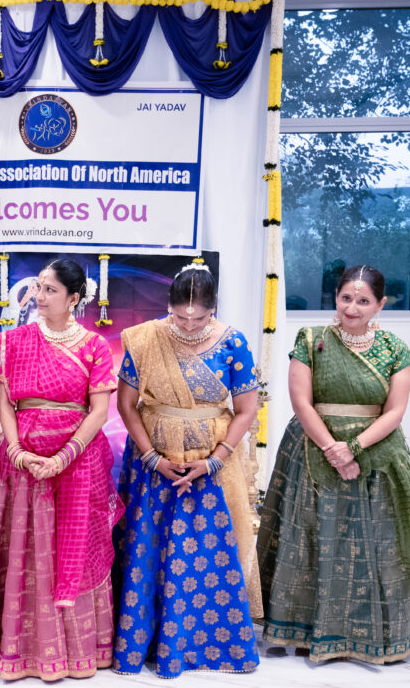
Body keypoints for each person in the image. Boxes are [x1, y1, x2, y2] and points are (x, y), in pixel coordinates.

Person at [257, 264, 410, 663]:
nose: (353, 308)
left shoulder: (395, 348)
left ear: (380, 304)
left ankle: (372, 634)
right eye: (346, 298)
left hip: (374, 454)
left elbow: (395, 411)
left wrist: (354, 448)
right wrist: (333, 448)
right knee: (308, 537)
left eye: (363, 301)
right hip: (311, 449)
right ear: (336, 298)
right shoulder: (310, 339)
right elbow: (300, 401)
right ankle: (299, 628)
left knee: (376, 544)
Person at [111, 261, 260, 677]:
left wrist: (216, 458)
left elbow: (247, 408)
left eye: (200, 317)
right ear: (168, 306)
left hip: (212, 461)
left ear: (214, 308)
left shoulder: (234, 342)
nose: (190, 325)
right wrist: (151, 457)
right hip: (153, 460)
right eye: (180, 316)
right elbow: (126, 404)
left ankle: (206, 646)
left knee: (207, 549)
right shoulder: (145, 339)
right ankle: (147, 640)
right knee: (149, 546)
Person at [0, 259, 123, 681]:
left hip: (79, 461)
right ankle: (23, 650)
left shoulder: (95, 346)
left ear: (74, 299)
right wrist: (16, 450)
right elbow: (6, 405)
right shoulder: (14, 341)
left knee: (74, 548)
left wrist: (64, 456)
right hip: (23, 458)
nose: (39, 296)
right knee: (27, 547)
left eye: (49, 290)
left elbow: (100, 411)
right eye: (38, 288)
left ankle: (80, 650)